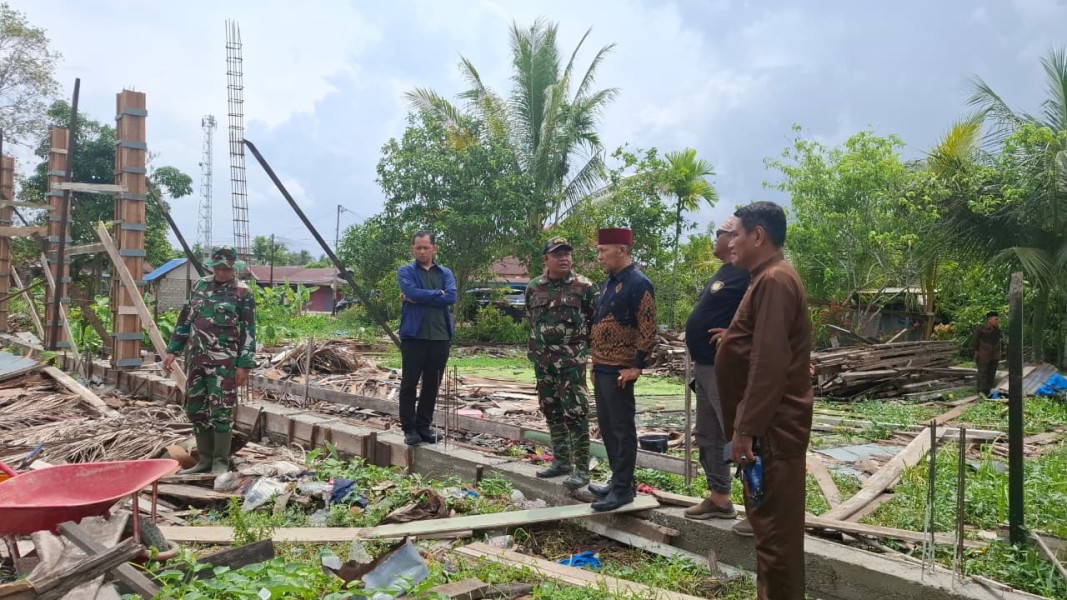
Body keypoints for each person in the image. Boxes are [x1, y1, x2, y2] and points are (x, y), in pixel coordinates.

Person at [714, 201, 813, 599]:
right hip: (768, 430)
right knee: (769, 534)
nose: (729, 242)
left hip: (771, 431)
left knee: (775, 540)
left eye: (735, 234)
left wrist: (745, 430)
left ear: (758, 236)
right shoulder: (765, 277)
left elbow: (768, 362)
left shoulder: (774, 280)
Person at [163, 245, 256, 474]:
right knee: (196, 409)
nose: (221, 273)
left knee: (221, 411)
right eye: (217, 268)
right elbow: (184, 321)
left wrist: (244, 365)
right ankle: (204, 460)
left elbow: (249, 332)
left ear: (233, 267)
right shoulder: (200, 286)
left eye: (225, 268)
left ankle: (220, 462)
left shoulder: (243, 293)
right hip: (196, 361)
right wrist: (173, 350)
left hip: (224, 365)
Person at [683, 216, 750, 520]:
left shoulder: (749, 273)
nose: (717, 238)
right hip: (706, 366)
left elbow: (755, 315)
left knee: (739, 437)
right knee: (708, 434)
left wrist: (733, 335)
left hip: (726, 369)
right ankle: (719, 497)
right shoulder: (725, 272)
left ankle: (757, 508)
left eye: (721, 233)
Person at [587, 227, 657, 512]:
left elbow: (648, 326)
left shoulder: (639, 283)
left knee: (621, 429)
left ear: (622, 250)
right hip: (602, 367)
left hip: (621, 370)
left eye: (604, 251)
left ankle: (624, 489)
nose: (599, 256)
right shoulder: (608, 283)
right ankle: (617, 480)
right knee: (606, 427)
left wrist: (637, 366)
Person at [525, 237, 600, 490]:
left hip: (571, 363)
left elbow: (597, 325)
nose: (564, 258)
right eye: (557, 254)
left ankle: (581, 469)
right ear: (546, 259)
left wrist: (592, 357)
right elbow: (532, 321)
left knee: (577, 414)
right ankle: (561, 461)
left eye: (567, 253)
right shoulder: (534, 288)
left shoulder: (585, 287)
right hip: (543, 362)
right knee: (551, 410)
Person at [397, 231, 457, 446]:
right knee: (409, 383)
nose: (422, 251)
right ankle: (409, 428)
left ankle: (424, 426)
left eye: (426, 247)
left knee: (432, 383)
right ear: (413, 249)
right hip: (414, 336)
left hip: (440, 336)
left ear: (434, 248)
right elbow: (411, 291)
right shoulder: (406, 271)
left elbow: (451, 296)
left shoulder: (445, 272)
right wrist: (436, 295)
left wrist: (421, 296)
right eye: (418, 248)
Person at [972, 311, 1002, 396]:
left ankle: (988, 391)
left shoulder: (997, 330)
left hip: (995, 356)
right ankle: (980, 391)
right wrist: (977, 352)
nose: (997, 321)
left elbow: (999, 342)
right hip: (983, 356)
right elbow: (974, 342)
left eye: (997, 319)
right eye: (995, 319)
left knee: (991, 374)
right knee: (982, 374)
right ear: (989, 320)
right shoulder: (981, 330)